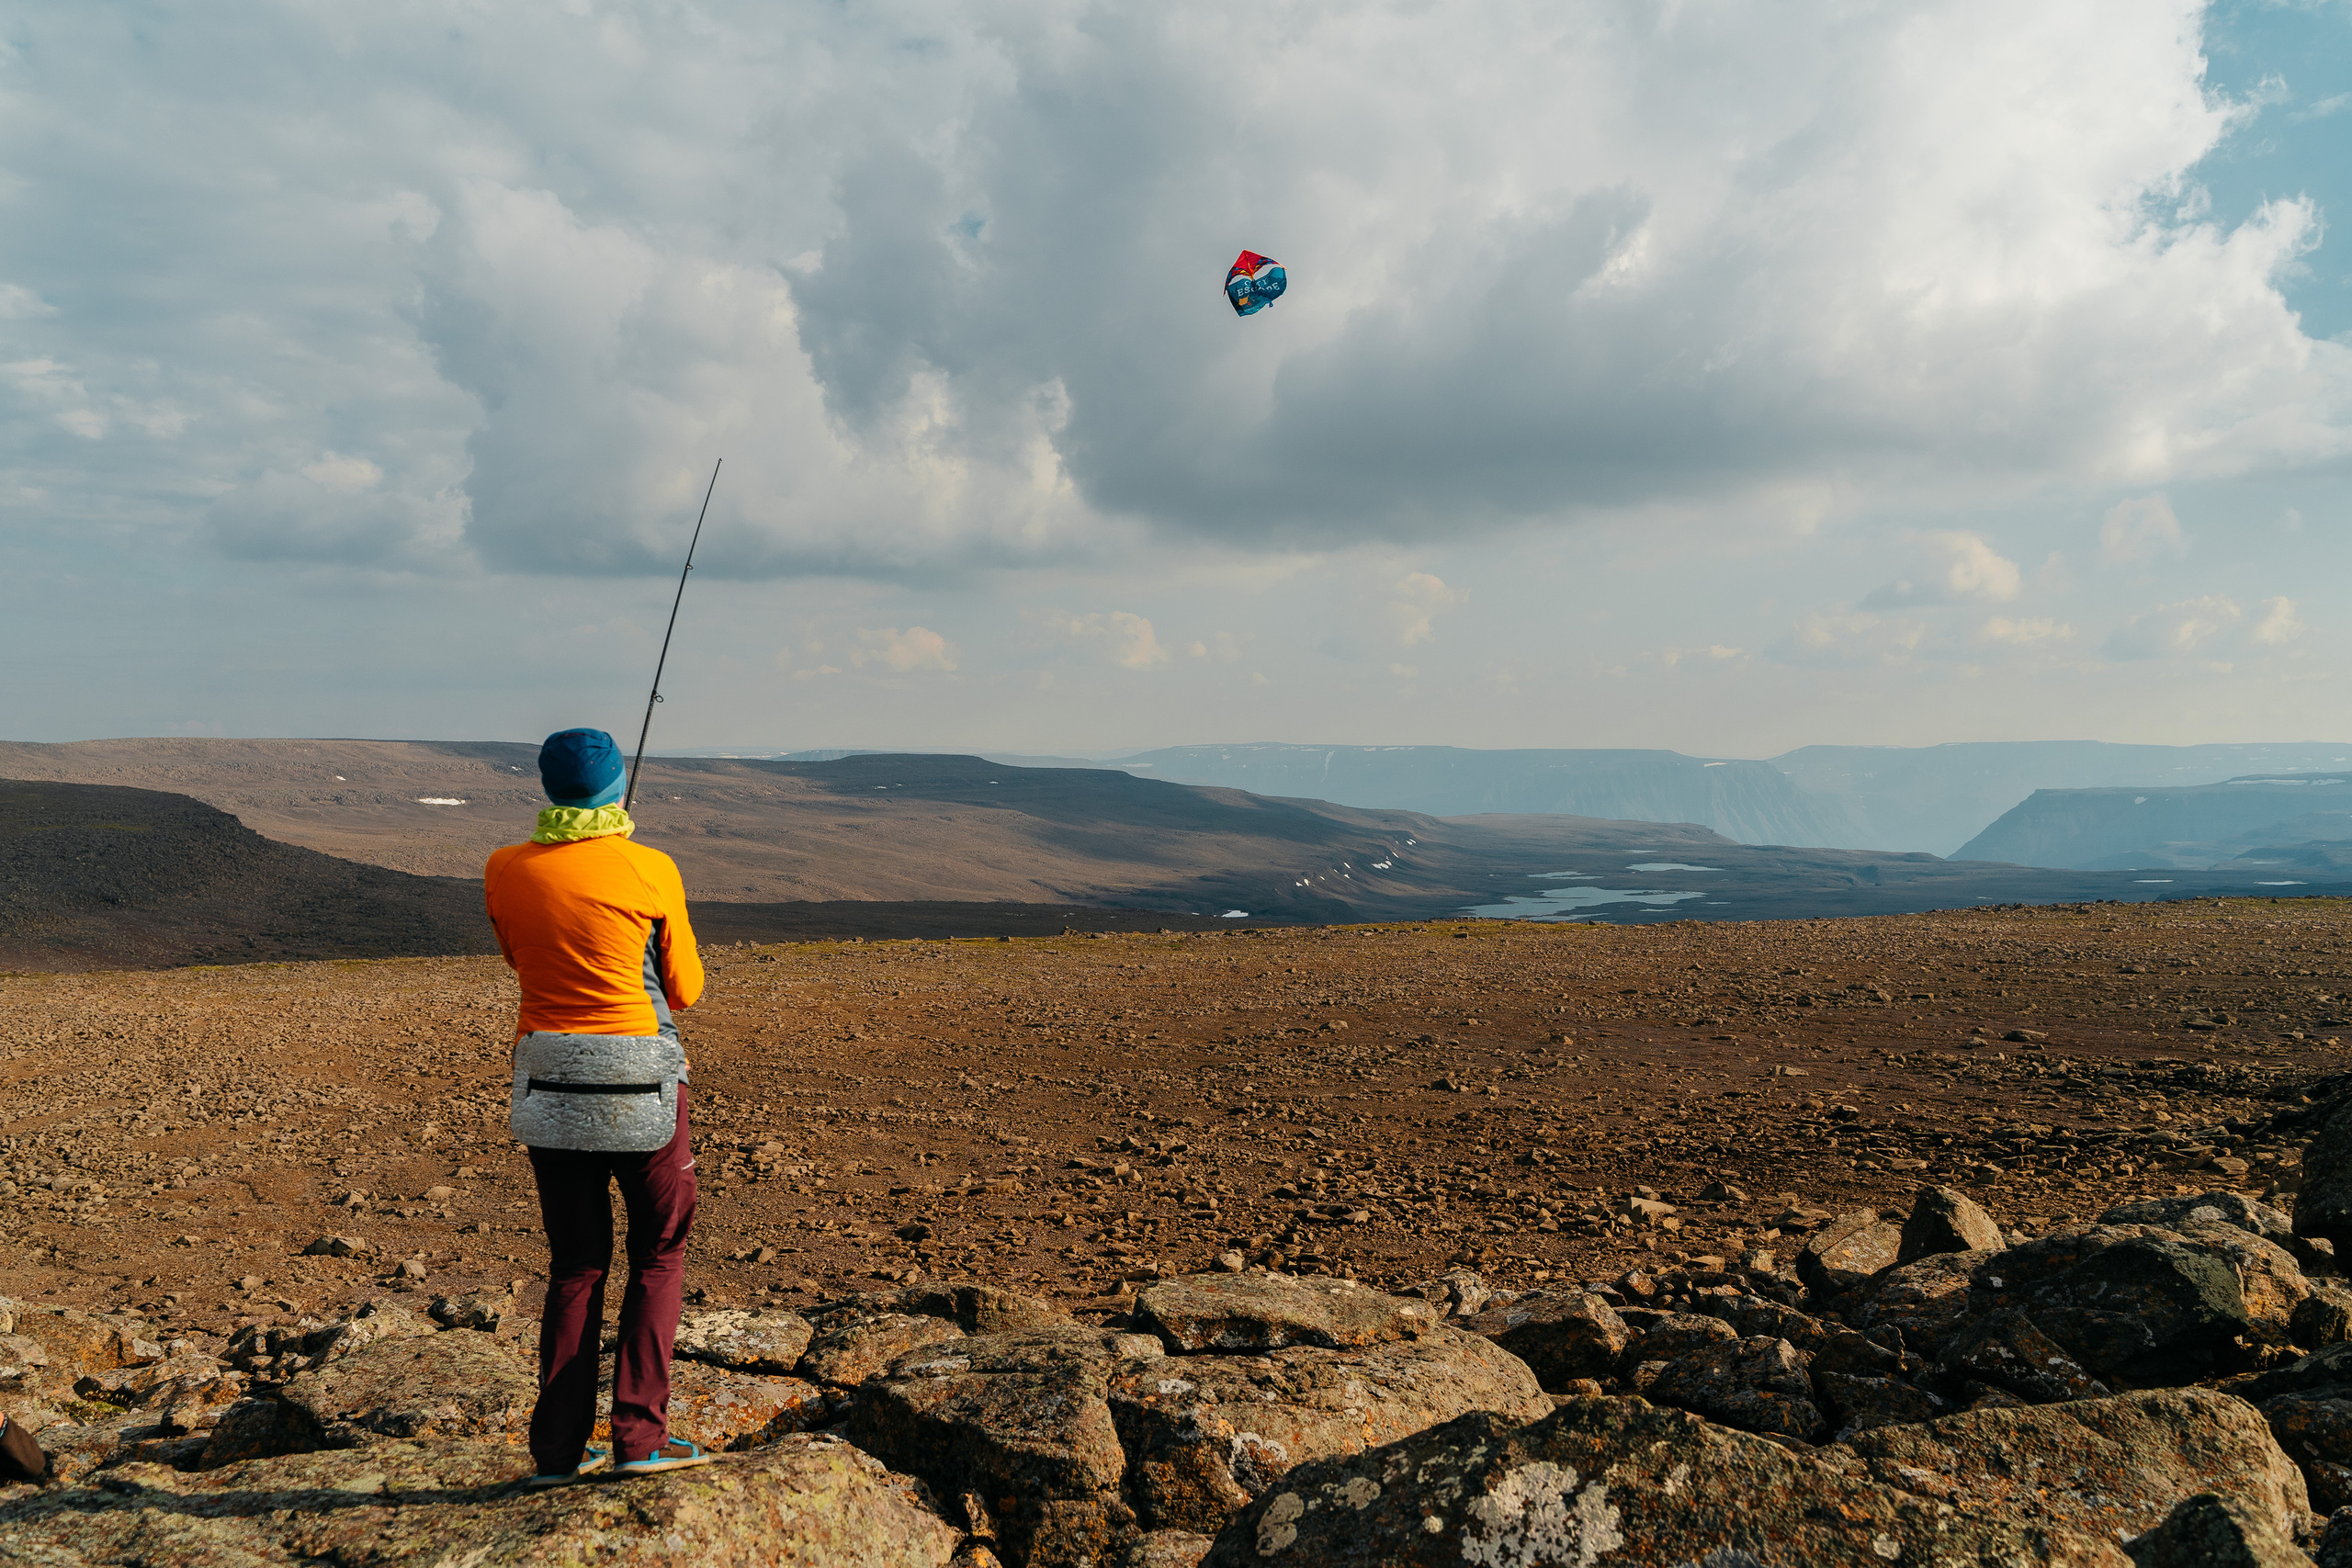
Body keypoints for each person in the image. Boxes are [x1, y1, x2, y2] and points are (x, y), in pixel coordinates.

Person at [486, 728, 710, 1486]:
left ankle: (555, 1452)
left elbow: (521, 957)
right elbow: (686, 988)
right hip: (644, 1079)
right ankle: (640, 1441)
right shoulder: (650, 868)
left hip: (549, 1081)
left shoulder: (505, 869)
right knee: (659, 1252)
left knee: (577, 1263)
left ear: (548, 789)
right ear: (618, 786)